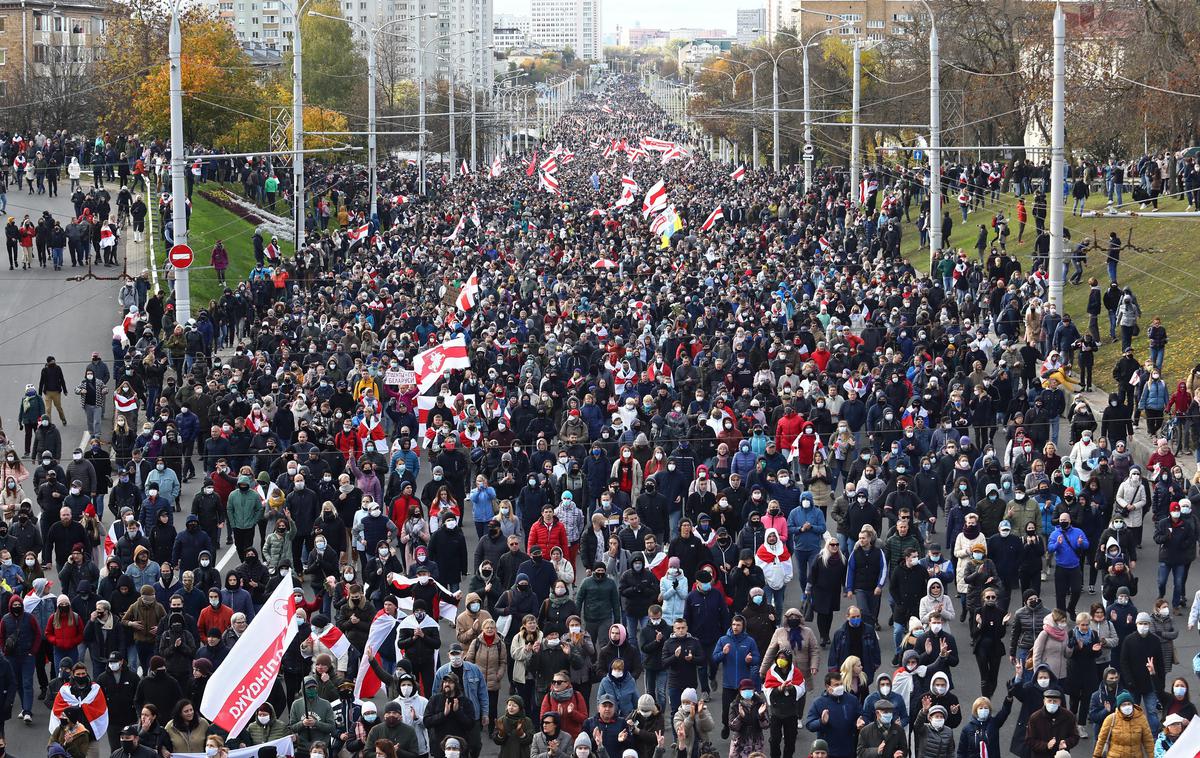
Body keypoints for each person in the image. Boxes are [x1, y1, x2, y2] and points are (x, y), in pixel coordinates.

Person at [1093, 691, 1153, 758]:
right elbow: (1101, 741)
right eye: (1123, 705)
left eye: (1129, 704)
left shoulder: (1141, 719)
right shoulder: (1111, 719)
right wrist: (1096, 756)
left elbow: (1148, 741)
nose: (1127, 707)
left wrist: (1152, 756)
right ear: (1119, 707)